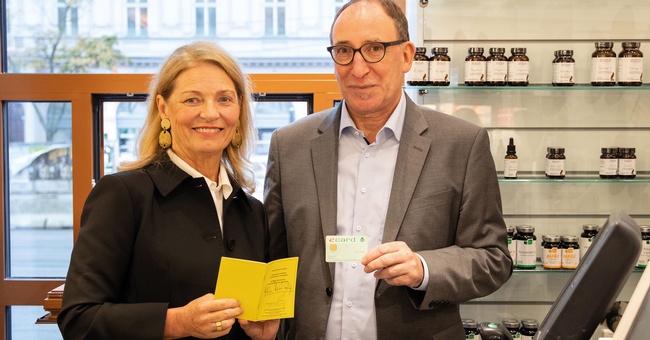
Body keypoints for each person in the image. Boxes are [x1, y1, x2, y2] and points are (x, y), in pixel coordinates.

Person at [264, 0, 512, 339]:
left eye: (374, 49)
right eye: (344, 51)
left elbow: (492, 259)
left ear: (407, 55)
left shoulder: (462, 144)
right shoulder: (289, 145)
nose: (358, 68)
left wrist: (423, 268)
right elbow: (274, 259)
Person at [58, 41, 279, 340]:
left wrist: (263, 335)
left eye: (224, 99)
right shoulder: (123, 195)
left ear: (239, 109)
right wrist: (176, 322)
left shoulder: (251, 210)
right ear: (163, 107)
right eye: (192, 100)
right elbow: (78, 318)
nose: (210, 113)